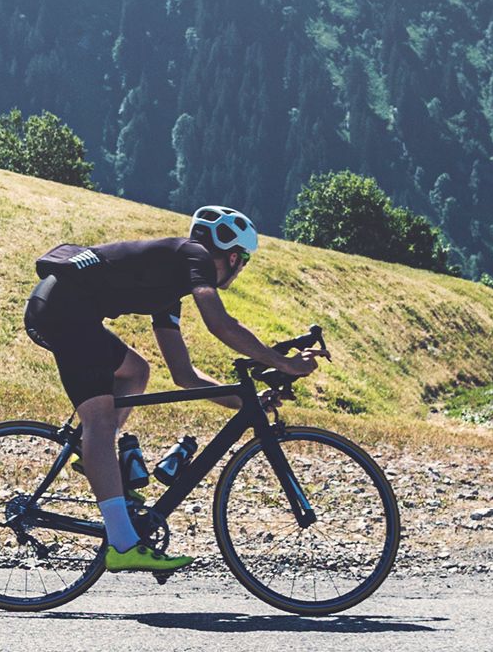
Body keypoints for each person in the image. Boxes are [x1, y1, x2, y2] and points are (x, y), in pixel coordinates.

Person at [24, 205, 316, 574]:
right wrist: (285, 363)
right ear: (230, 255)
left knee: (135, 372)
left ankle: (96, 460)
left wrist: (246, 401)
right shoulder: (193, 256)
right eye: (243, 259)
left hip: (64, 308)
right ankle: (123, 543)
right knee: (97, 420)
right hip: (62, 311)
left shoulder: (169, 287)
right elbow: (221, 325)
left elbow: (184, 375)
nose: (241, 268)